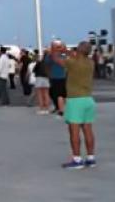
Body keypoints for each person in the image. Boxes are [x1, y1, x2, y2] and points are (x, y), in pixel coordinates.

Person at [51, 42, 97, 170]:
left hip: (75, 100)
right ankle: (91, 158)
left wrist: (55, 48)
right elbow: (78, 55)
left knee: (74, 130)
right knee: (88, 129)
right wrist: (67, 50)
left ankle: (77, 159)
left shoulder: (72, 62)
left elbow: (55, 59)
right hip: (88, 99)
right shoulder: (90, 63)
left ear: (78, 50)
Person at [46, 41, 67, 116]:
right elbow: (47, 64)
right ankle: (58, 107)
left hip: (61, 77)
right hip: (53, 77)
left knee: (60, 94)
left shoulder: (63, 55)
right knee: (53, 93)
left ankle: (61, 109)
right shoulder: (50, 56)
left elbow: (64, 64)